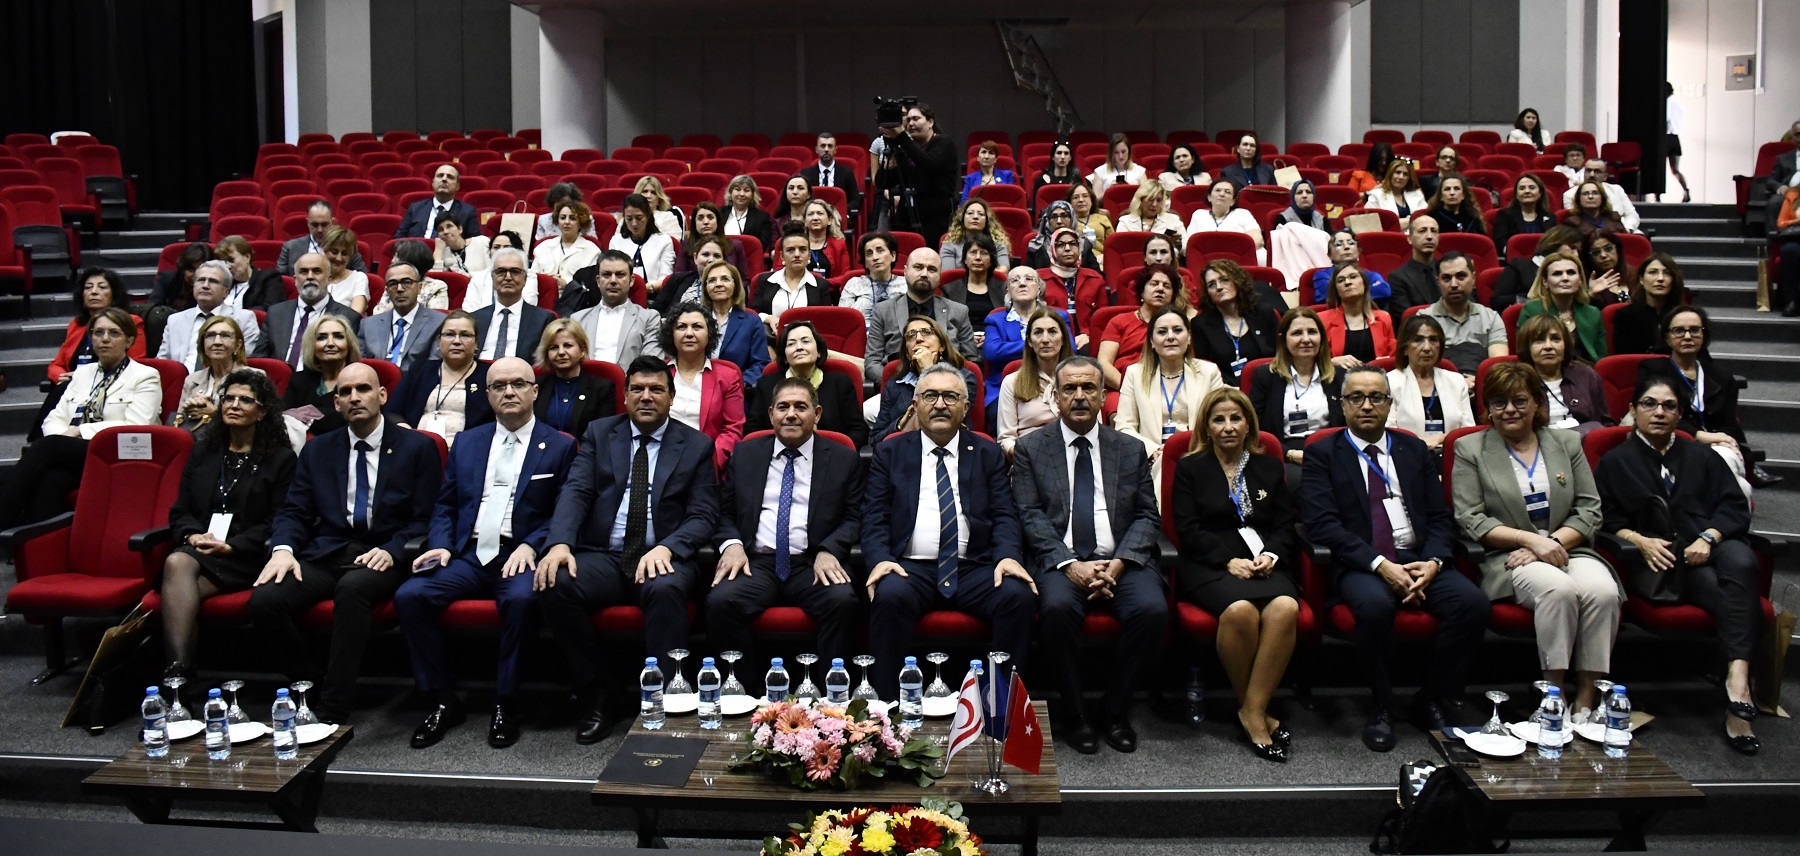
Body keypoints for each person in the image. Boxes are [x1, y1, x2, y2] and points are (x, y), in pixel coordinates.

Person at [1300, 366, 1489, 751]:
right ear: (1342, 404)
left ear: (1390, 403)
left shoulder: (1413, 449)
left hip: (1418, 557)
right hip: (1361, 562)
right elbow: (1322, 525)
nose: (1366, 405)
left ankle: (1429, 697)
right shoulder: (1323, 453)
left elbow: (1439, 517)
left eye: (1376, 397)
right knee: (1374, 606)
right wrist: (1381, 566)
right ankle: (1382, 704)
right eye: (1356, 397)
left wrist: (1433, 562)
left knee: (1472, 605)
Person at [537, 356, 720, 743]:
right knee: (555, 582)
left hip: (662, 553)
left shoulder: (696, 445)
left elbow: (703, 514)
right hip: (605, 554)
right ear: (625, 395)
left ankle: (662, 701)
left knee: (665, 589)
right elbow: (576, 490)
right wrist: (560, 543)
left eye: (656, 390)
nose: (646, 397)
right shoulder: (600, 433)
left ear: (672, 396)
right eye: (637, 389)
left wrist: (669, 547)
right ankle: (600, 691)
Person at [398, 357, 578, 749]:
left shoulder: (561, 445)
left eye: (518, 384)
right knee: (411, 596)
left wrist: (533, 544)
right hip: (468, 552)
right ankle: (443, 700)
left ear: (535, 391)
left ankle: (506, 702)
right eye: (498, 385)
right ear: (488, 394)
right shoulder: (468, 442)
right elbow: (446, 505)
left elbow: (566, 510)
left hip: (521, 552)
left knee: (522, 601)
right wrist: (441, 544)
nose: (508, 391)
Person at [251, 362, 440, 724]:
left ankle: (333, 707)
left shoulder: (417, 447)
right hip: (330, 551)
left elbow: (426, 518)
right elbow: (295, 510)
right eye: (345, 392)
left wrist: (393, 550)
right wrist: (283, 550)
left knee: (353, 588)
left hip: (385, 553)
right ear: (335, 403)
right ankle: (309, 684)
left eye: (363, 389)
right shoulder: (319, 450)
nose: (355, 398)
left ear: (382, 396)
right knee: (265, 599)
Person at [1596, 377, 1764, 755]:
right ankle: (1738, 707)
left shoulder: (1701, 455)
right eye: (1649, 404)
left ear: (1680, 414)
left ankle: (1738, 681)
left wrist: (1709, 537)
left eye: (1669, 406)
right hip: (1667, 561)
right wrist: (1638, 539)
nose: (1659, 412)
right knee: (1732, 599)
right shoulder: (1615, 463)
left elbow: (1734, 506)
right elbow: (1605, 519)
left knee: (1742, 560)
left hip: (1712, 542)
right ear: (1633, 410)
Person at [1454, 361, 1620, 722]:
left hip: (1569, 547)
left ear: (1537, 403)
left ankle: (1588, 696)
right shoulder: (1471, 448)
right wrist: (1531, 542)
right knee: (1559, 590)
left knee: (1603, 591)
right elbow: (1470, 518)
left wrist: (1551, 542)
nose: (1509, 410)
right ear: (1488, 408)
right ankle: (1553, 695)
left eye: (1519, 400)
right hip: (1509, 556)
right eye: (1498, 402)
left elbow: (1590, 509)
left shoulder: (1566, 442)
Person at [1013, 355, 1163, 754]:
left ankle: (1115, 711)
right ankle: (1075, 713)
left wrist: (1120, 563)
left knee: (1151, 610)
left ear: (1102, 396)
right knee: (1057, 610)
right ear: (1055, 396)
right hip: (1060, 560)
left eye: (1088, 388)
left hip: (1122, 560)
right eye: (1070, 389)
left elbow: (1148, 515)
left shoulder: (1129, 448)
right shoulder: (1031, 448)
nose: (1079, 396)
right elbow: (1028, 514)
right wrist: (1070, 564)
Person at [863, 363, 1036, 699]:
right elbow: (874, 514)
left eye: (950, 397)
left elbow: (1004, 513)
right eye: (930, 396)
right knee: (889, 596)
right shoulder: (890, 451)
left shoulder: (986, 451)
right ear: (915, 404)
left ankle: (1001, 705)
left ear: (965, 407)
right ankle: (888, 709)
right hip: (910, 567)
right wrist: (880, 559)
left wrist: (1007, 556)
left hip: (975, 566)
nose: (940, 404)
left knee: (1017, 596)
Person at [1170, 388, 1301, 759]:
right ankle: (1257, 715)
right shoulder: (1191, 468)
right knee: (1240, 611)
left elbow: (1285, 525)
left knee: (1286, 608)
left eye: (1235, 419)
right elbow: (1187, 529)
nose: (1228, 427)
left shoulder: (1269, 467)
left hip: (1263, 559)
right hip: (1209, 562)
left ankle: (1250, 710)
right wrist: (1227, 560)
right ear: (1207, 428)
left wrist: (1272, 554)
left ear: (1248, 425)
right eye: (1219, 420)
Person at [709, 377, 865, 680]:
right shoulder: (746, 453)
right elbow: (723, 512)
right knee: (721, 601)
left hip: (812, 561)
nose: (791, 414)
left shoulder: (843, 458)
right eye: (783, 407)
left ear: (817, 414)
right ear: (771, 414)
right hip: (757, 563)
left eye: (800, 407)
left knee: (842, 601)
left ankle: (831, 696)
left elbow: (855, 516)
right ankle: (741, 693)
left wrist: (830, 550)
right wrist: (732, 544)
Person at [157, 369, 296, 680]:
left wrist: (232, 546)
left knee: (177, 572)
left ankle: (176, 677)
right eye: (228, 398)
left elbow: (279, 519)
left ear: (262, 412)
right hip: (201, 551)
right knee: (181, 570)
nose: (234, 405)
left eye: (245, 400)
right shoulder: (203, 451)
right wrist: (192, 535)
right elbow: (181, 509)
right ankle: (180, 671)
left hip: (247, 555)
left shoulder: (280, 459)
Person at [0, 308, 161, 528]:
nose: (105, 339)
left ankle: (3, 520)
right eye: (98, 332)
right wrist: (63, 438)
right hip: (75, 453)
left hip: (120, 451)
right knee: (50, 481)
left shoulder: (145, 375)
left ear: (129, 341)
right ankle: (42, 544)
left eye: (114, 333)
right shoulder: (83, 373)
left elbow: (137, 426)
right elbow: (54, 418)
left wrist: (78, 432)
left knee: (46, 448)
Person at [1639, 306, 1768, 491]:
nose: (1687, 336)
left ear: (1703, 335)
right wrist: (1701, 436)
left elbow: (1730, 424)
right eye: (1679, 331)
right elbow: (1654, 413)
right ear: (1667, 337)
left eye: (1694, 330)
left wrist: (1722, 440)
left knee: (1730, 464)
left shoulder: (1722, 378)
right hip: (1669, 442)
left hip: (1716, 445)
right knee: (1738, 485)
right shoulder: (1652, 370)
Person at [1117, 305, 1224, 470]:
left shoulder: (1209, 372)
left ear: (1189, 337)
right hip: (1152, 460)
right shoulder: (1134, 374)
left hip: (1199, 456)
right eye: (1162, 332)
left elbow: (1219, 420)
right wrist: (1152, 450)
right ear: (1151, 341)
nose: (1170, 337)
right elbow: (1124, 426)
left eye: (1177, 330)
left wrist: (1194, 450)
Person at [1248, 308, 1344, 484]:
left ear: (1321, 338)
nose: (1306, 339)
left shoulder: (1338, 376)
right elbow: (1255, 428)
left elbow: (1347, 426)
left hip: (1331, 451)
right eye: (1297, 333)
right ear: (1283, 339)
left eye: (1312, 332)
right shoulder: (1265, 376)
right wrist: (1290, 454)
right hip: (1284, 455)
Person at [746, 320, 867, 448]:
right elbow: (753, 431)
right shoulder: (767, 384)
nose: (799, 347)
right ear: (785, 357)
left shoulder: (840, 383)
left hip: (830, 457)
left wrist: (838, 454)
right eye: (791, 343)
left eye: (805, 341)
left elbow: (858, 430)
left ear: (819, 351)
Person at [865, 247, 977, 384]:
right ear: (905, 271)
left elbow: (972, 361)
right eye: (918, 267)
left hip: (947, 388)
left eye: (932, 269)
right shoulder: (883, 310)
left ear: (939, 275)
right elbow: (872, 362)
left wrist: (945, 385)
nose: (924, 274)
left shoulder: (958, 311)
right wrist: (896, 386)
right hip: (898, 385)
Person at [388, 310, 492, 445]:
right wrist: (408, 435)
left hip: (467, 448)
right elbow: (392, 412)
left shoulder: (489, 374)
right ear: (439, 341)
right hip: (417, 447)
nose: (456, 341)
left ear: (476, 343)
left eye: (465, 335)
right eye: (449, 334)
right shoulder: (419, 370)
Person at [662, 302, 745, 470]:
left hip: (707, 464)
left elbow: (732, 430)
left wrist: (708, 462)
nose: (689, 333)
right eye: (681, 327)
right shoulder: (657, 373)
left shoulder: (728, 377)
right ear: (671, 334)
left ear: (709, 334)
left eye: (697, 327)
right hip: (660, 460)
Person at [871, 315, 978, 444]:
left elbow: (950, 421)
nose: (919, 339)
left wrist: (927, 370)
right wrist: (900, 424)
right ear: (907, 353)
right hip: (905, 450)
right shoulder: (894, 385)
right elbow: (876, 439)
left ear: (942, 346)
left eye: (927, 332)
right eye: (911, 335)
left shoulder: (963, 379)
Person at [1384, 315, 1474, 452]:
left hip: (1453, 455)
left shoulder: (1456, 381)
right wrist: (1421, 445)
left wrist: (1443, 439)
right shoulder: (1389, 382)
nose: (1427, 348)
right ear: (1405, 348)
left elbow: (1469, 433)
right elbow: (1387, 434)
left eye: (1433, 340)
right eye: (1418, 340)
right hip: (1406, 455)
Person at [256, 252, 361, 370]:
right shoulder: (276, 313)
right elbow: (259, 356)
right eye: (304, 272)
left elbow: (350, 362)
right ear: (295, 280)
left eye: (317, 271)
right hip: (279, 378)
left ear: (329, 279)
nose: (310, 277)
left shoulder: (349, 317)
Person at [875, 102, 959, 245]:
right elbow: (882, 183)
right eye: (908, 120)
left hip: (936, 215)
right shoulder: (906, 148)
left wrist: (901, 136)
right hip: (908, 213)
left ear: (930, 122)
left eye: (916, 119)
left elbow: (929, 164)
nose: (910, 124)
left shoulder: (944, 142)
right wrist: (887, 168)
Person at [982, 266, 1069, 404]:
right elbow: (993, 352)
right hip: (1005, 387)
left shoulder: (1059, 316)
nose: (1022, 283)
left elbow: (1069, 350)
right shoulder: (995, 319)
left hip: (1055, 383)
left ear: (1039, 289)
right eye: (1015, 280)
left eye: (1029, 279)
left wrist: (1012, 347)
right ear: (1008, 290)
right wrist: (1041, 345)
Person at [1096, 264, 1190, 390]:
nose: (1160, 289)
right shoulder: (1119, 321)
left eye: (1167, 286)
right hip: (1122, 387)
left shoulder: (1180, 325)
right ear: (1142, 291)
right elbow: (1103, 363)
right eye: (1154, 284)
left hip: (1170, 387)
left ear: (1173, 295)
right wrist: (1131, 389)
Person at [46, 268, 145, 386]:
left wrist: (85, 378)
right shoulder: (76, 325)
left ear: (114, 295)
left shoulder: (131, 322)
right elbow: (56, 365)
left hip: (112, 387)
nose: (93, 292)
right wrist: (63, 378)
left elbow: (135, 366)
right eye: (88, 287)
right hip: (72, 386)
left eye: (102, 287)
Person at [1515, 314, 1611, 436]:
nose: (1548, 346)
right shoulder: (1518, 380)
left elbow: (1605, 423)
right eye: (1539, 340)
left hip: (1584, 443)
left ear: (1565, 345)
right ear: (1527, 347)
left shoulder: (1586, 376)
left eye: (1555, 339)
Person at [158, 260, 262, 372]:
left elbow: (244, 362)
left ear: (226, 292)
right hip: (181, 381)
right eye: (201, 280)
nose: (205, 286)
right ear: (193, 286)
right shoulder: (175, 320)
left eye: (213, 281)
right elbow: (162, 363)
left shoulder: (244, 319)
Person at [995, 308, 1073, 456]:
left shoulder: (1080, 380)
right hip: (1029, 456)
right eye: (1038, 333)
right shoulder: (1012, 382)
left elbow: (1095, 429)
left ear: (1063, 339)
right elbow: (1006, 439)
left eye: (1052, 332)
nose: (1045, 339)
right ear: (1030, 341)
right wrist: (1025, 456)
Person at [1193, 260, 1281, 388]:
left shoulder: (1264, 313)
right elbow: (1205, 368)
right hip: (1226, 390)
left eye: (1224, 280)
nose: (1219, 287)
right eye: (1211, 285)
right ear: (1208, 293)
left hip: (1269, 385)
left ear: (1237, 281)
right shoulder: (1200, 324)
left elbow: (1281, 355)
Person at [1417, 252, 1509, 375]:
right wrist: (1458, 382)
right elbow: (1421, 368)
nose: (1454, 284)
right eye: (1447, 278)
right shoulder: (1423, 319)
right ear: (1438, 281)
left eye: (1461, 277)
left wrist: (1477, 381)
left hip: (1482, 382)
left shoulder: (1491, 317)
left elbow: (1498, 365)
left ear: (1473, 278)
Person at [571, 250, 664, 367]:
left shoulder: (649, 319)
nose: (613, 281)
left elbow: (652, 365)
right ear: (598, 281)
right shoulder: (577, 320)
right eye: (607, 274)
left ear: (631, 280)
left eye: (620, 275)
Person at [281, 313, 364, 439]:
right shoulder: (298, 380)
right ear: (312, 345)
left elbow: (357, 419)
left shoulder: (361, 378)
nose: (330, 343)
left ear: (349, 344)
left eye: (338, 337)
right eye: (322, 338)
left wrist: (307, 414)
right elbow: (284, 417)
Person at [1518, 250, 1607, 363]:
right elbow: (1524, 353)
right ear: (1545, 281)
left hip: (1586, 370)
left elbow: (1601, 356)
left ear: (1580, 279)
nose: (1565, 278)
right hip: (1544, 370)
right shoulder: (1532, 310)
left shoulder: (1593, 313)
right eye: (1557, 274)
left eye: (1571, 273)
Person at [534, 318, 616, 438]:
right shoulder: (537, 386)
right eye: (554, 347)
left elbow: (602, 435)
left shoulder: (602, 389)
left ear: (582, 350)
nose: (561, 352)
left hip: (585, 449)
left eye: (568, 345)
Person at [694, 260, 770, 387]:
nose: (718, 284)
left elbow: (760, 363)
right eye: (712, 280)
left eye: (725, 279)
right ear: (705, 288)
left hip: (737, 388)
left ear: (736, 285)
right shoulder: (696, 319)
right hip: (697, 386)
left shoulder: (751, 321)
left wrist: (737, 383)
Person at [170, 315, 251, 433]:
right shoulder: (192, 380)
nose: (217, 342)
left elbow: (255, 421)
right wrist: (188, 410)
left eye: (225, 336)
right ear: (202, 344)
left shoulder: (252, 377)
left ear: (238, 345)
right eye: (210, 336)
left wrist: (214, 413)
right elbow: (179, 422)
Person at [359, 262, 445, 372]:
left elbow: (433, 368)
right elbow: (359, 365)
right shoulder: (368, 325)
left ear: (419, 288)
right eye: (393, 284)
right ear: (387, 290)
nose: (399, 289)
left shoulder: (439, 322)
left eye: (406, 282)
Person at [474, 248, 555, 362]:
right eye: (501, 271)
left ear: (525, 278)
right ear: (492, 278)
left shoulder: (543, 319)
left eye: (515, 272)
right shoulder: (474, 318)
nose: (508, 277)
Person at [754, 228, 834, 336]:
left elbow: (825, 321)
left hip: (807, 341)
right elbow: (753, 314)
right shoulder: (765, 280)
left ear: (809, 255)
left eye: (802, 249)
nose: (797, 254)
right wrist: (768, 318)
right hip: (771, 339)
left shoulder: (821, 285)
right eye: (790, 250)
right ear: (782, 256)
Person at [1318, 262, 1396, 366]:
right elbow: (1312, 359)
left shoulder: (1383, 318)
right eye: (1341, 280)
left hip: (1377, 374)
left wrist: (1384, 361)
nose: (1347, 282)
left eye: (1353, 277)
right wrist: (1331, 363)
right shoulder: (1322, 320)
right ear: (1336, 290)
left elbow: (1394, 356)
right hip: (1339, 374)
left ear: (1364, 284)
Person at [1613, 253, 1688, 356]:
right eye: (1653, 272)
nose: (1660, 278)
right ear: (1641, 279)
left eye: (1667, 273)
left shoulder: (1686, 316)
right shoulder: (1626, 316)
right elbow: (1625, 358)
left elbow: (1702, 357)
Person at [1492, 225, 1582, 311]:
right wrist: (1532, 299)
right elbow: (1497, 300)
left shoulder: (1577, 272)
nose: (1576, 254)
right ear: (1555, 243)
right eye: (1572, 247)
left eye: (1578, 250)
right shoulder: (1519, 266)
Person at [146, 241, 206, 353]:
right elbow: (152, 307)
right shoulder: (167, 278)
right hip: (166, 329)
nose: (196, 275)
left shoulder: (210, 287)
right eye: (191, 270)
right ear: (183, 269)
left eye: (201, 270)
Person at [1185, 179, 1265, 262]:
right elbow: (1189, 245)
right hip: (1206, 260)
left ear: (1233, 201)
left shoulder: (1243, 214)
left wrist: (1231, 254)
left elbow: (1258, 240)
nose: (1222, 194)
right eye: (1218, 190)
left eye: (1227, 192)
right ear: (1209, 197)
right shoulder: (1199, 215)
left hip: (1238, 259)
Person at [1310, 229, 1395, 306]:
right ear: (1329, 255)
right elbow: (1328, 296)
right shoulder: (1322, 275)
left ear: (1358, 251)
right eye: (1339, 244)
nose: (1346, 247)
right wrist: (1365, 291)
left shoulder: (1371, 275)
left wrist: (1345, 293)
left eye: (1351, 243)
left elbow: (1384, 291)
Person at [278, 200, 364, 275]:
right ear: (308, 223)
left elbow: (363, 275)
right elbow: (279, 280)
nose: (320, 230)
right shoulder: (290, 247)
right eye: (315, 225)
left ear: (332, 222)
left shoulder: (346, 246)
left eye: (324, 225)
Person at [839, 231, 905, 327]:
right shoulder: (854, 284)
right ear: (865, 262)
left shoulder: (906, 284)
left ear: (893, 256)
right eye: (869, 253)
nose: (875, 257)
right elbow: (843, 319)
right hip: (862, 333)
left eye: (880, 251)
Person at [396, 163, 479, 239]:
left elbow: (476, 242)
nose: (444, 179)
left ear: (457, 186)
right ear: (433, 183)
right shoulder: (415, 208)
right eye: (440, 176)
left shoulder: (467, 211)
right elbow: (399, 238)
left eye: (450, 177)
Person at [666, 204, 747, 281]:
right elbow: (679, 276)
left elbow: (744, 279)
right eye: (700, 218)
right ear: (694, 223)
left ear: (717, 221)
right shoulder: (686, 245)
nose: (705, 222)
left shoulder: (735, 245)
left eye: (710, 217)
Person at [531, 200, 602, 287]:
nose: (566, 222)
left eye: (572, 218)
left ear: (581, 222)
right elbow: (531, 279)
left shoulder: (592, 250)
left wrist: (566, 284)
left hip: (575, 295)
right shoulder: (543, 247)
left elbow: (592, 285)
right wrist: (547, 281)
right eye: (562, 218)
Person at [609, 193, 676, 285]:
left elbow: (665, 278)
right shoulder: (616, 241)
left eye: (639, 218)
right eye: (629, 219)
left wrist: (646, 289)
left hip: (655, 291)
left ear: (648, 216)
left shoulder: (664, 241)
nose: (634, 224)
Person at [462, 231, 537, 312]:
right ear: (489, 252)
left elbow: (528, 304)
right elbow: (468, 310)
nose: (500, 251)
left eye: (507, 247)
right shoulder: (479, 278)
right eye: (496, 247)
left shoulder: (528, 275)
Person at [1559, 161, 1640, 233]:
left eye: (1597, 171)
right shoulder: (1569, 194)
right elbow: (1578, 217)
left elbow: (1632, 214)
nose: (1592, 175)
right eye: (1588, 170)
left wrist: (1627, 230)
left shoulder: (1617, 189)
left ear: (1605, 176)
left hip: (1621, 229)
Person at [940, 232, 1002, 324]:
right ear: (965, 259)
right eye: (973, 252)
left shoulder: (1002, 289)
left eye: (984, 253)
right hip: (960, 333)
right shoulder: (950, 289)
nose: (978, 258)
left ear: (991, 261)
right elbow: (944, 322)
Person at [800, 132, 863, 223]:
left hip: (837, 217)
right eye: (823, 146)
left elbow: (855, 201)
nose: (826, 149)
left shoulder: (847, 173)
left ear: (835, 150)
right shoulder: (806, 174)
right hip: (813, 217)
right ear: (816, 150)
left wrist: (837, 210)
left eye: (830, 146)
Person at [938, 198, 1013, 271]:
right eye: (970, 213)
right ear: (962, 218)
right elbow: (948, 274)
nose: (975, 217)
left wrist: (979, 277)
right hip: (958, 280)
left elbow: (1003, 271)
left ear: (987, 220)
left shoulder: (998, 242)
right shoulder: (950, 243)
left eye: (981, 214)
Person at [214, 235, 286, 310]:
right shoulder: (224, 283)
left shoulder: (269, 278)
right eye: (223, 262)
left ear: (247, 257)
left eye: (231, 260)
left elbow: (273, 308)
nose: (228, 266)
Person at [1492, 174, 1554, 260]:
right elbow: (1500, 243)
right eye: (1522, 188)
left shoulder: (1550, 217)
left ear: (1540, 193)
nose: (1527, 191)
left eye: (1532, 188)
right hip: (1516, 261)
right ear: (1516, 195)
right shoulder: (1505, 215)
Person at [1025, 200, 1100, 272]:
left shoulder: (1084, 244)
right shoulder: (1036, 246)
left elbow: (1097, 275)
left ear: (1072, 219)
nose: (1059, 221)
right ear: (1048, 221)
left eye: (1064, 216)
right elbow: (1028, 275)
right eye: (1054, 217)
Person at [320, 225, 370, 314]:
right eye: (334, 252)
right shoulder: (314, 276)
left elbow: (355, 315)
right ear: (324, 250)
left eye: (344, 253)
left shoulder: (358, 278)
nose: (339, 258)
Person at [721, 175, 776, 253]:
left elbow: (761, 245)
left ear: (753, 195)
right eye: (737, 189)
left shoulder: (762, 218)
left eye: (746, 190)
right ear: (730, 192)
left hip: (747, 257)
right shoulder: (719, 212)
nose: (742, 194)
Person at [797, 198, 850, 278]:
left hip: (829, 286)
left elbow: (845, 277)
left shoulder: (839, 245)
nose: (815, 218)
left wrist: (822, 283)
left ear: (829, 220)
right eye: (810, 214)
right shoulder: (794, 243)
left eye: (820, 213)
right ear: (805, 221)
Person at [1115, 181, 1186, 242]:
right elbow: (1121, 248)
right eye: (1150, 199)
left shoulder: (1173, 220)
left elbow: (1185, 247)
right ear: (1141, 200)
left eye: (1159, 200)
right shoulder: (1125, 222)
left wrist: (1177, 245)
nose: (1154, 204)